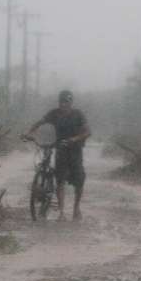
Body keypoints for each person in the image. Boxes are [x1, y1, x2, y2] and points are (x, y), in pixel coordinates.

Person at [23, 90, 91, 221]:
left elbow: (88, 132)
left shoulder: (78, 114)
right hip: (60, 149)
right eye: (62, 102)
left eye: (67, 102)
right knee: (60, 180)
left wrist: (74, 139)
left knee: (79, 180)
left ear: (71, 102)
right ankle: (61, 213)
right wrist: (29, 132)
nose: (64, 105)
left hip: (75, 150)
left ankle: (76, 208)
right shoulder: (54, 113)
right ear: (59, 102)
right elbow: (40, 122)